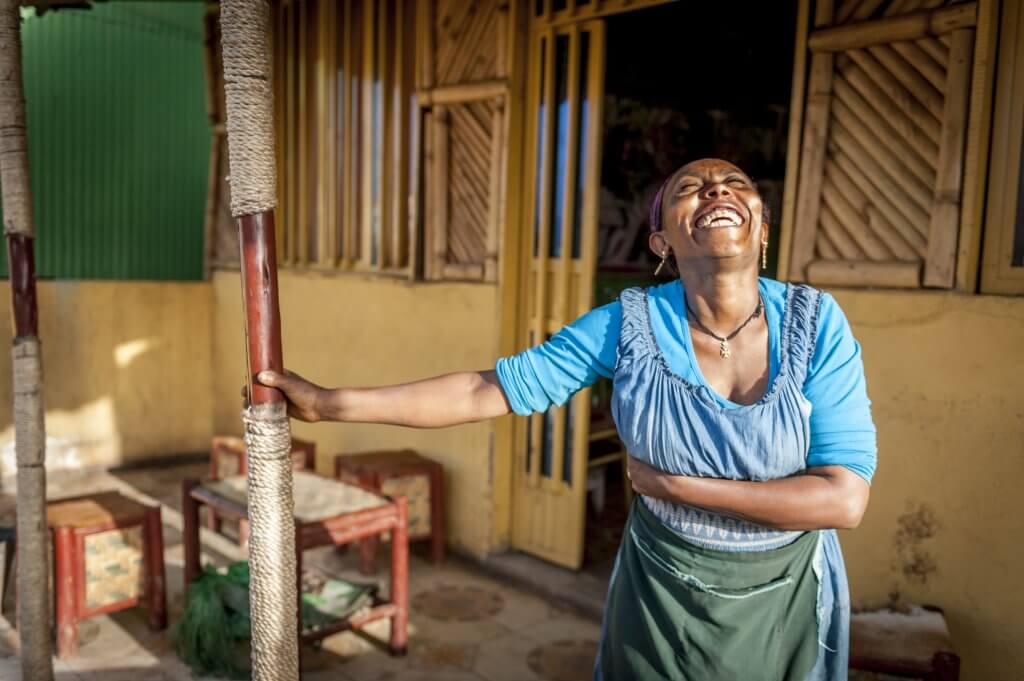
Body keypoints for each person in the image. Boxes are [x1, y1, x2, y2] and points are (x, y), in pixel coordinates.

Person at [257, 158, 876, 680]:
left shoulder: (816, 325)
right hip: (661, 594)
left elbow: (842, 500)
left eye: (734, 183)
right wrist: (331, 403)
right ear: (662, 241)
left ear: (762, 226)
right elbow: (487, 391)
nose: (715, 189)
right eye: (690, 188)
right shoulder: (627, 324)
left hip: (784, 598)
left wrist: (677, 487)